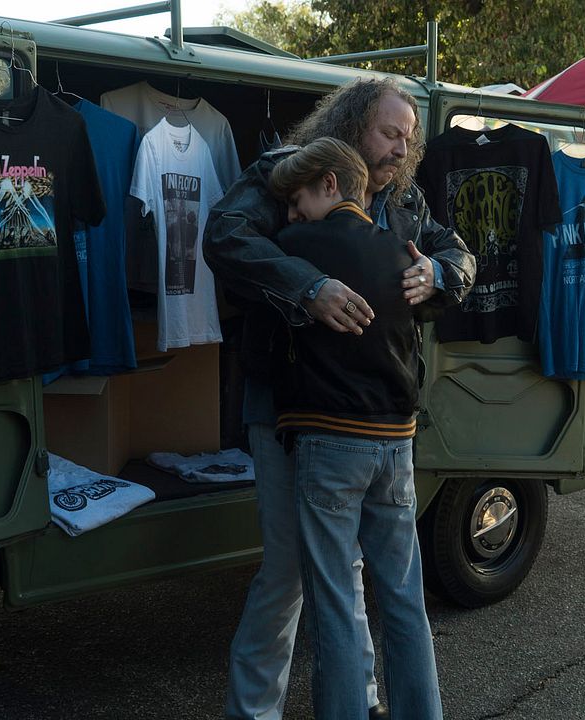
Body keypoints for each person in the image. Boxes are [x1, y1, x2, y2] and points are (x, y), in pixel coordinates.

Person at [203, 79, 474, 720]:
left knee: (350, 574)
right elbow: (224, 236)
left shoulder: (403, 198)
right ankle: (254, 712)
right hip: (286, 408)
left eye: (408, 138)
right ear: (353, 124)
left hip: (374, 422)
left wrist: (437, 273)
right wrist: (308, 286)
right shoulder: (288, 171)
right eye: (389, 133)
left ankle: (363, 699)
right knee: (290, 573)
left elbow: (458, 255)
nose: (401, 149)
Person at [268, 136, 441, 720]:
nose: (294, 215)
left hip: (329, 441)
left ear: (329, 184)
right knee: (404, 599)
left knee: (337, 604)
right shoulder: (403, 253)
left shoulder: (293, 246)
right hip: (395, 444)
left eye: (298, 201)